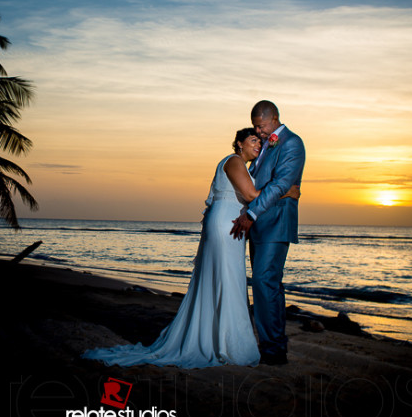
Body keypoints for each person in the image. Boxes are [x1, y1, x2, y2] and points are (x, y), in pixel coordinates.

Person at [81, 128, 300, 368]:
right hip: (227, 224)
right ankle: (228, 344)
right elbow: (251, 195)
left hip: (227, 222)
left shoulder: (241, 166)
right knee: (228, 280)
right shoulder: (234, 161)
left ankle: (220, 339)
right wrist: (286, 191)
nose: (258, 144)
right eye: (253, 140)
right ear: (239, 143)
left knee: (225, 279)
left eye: (260, 141)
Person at [231, 101, 306, 366]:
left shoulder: (292, 144)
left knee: (265, 282)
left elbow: (281, 184)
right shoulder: (267, 145)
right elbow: (255, 182)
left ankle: (274, 350)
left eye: (261, 126)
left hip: (275, 222)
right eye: (255, 126)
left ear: (274, 118)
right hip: (259, 224)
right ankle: (270, 344)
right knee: (265, 284)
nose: (258, 132)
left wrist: (251, 214)